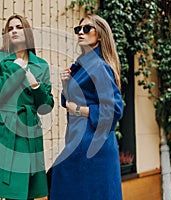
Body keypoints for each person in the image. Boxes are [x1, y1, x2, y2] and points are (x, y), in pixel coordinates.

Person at [49, 14, 124, 200]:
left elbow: (115, 109)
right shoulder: (81, 66)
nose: (80, 33)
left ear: (99, 35)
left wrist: (80, 110)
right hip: (78, 141)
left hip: (93, 146)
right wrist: (66, 85)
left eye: (86, 29)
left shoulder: (99, 66)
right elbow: (69, 103)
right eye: (78, 29)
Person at [0, 15, 54, 200]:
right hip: (4, 131)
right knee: (11, 192)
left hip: (29, 131)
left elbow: (46, 106)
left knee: (26, 193)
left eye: (19, 27)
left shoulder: (41, 65)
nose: (13, 31)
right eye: (9, 28)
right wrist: (15, 70)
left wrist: (36, 86)